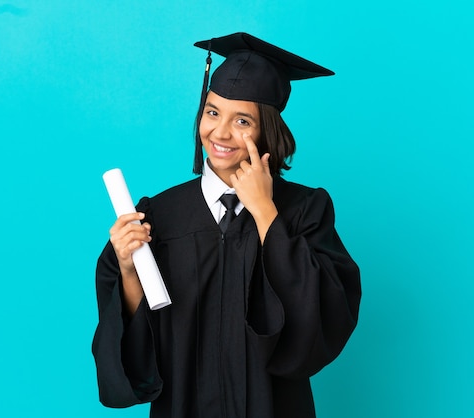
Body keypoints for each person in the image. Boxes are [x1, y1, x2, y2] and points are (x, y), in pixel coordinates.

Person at [92, 32, 361, 418]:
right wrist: (130, 272)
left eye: (243, 120)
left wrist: (265, 212)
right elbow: (137, 346)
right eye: (213, 112)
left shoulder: (304, 209)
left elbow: (322, 320)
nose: (219, 133)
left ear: (267, 130)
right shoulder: (160, 214)